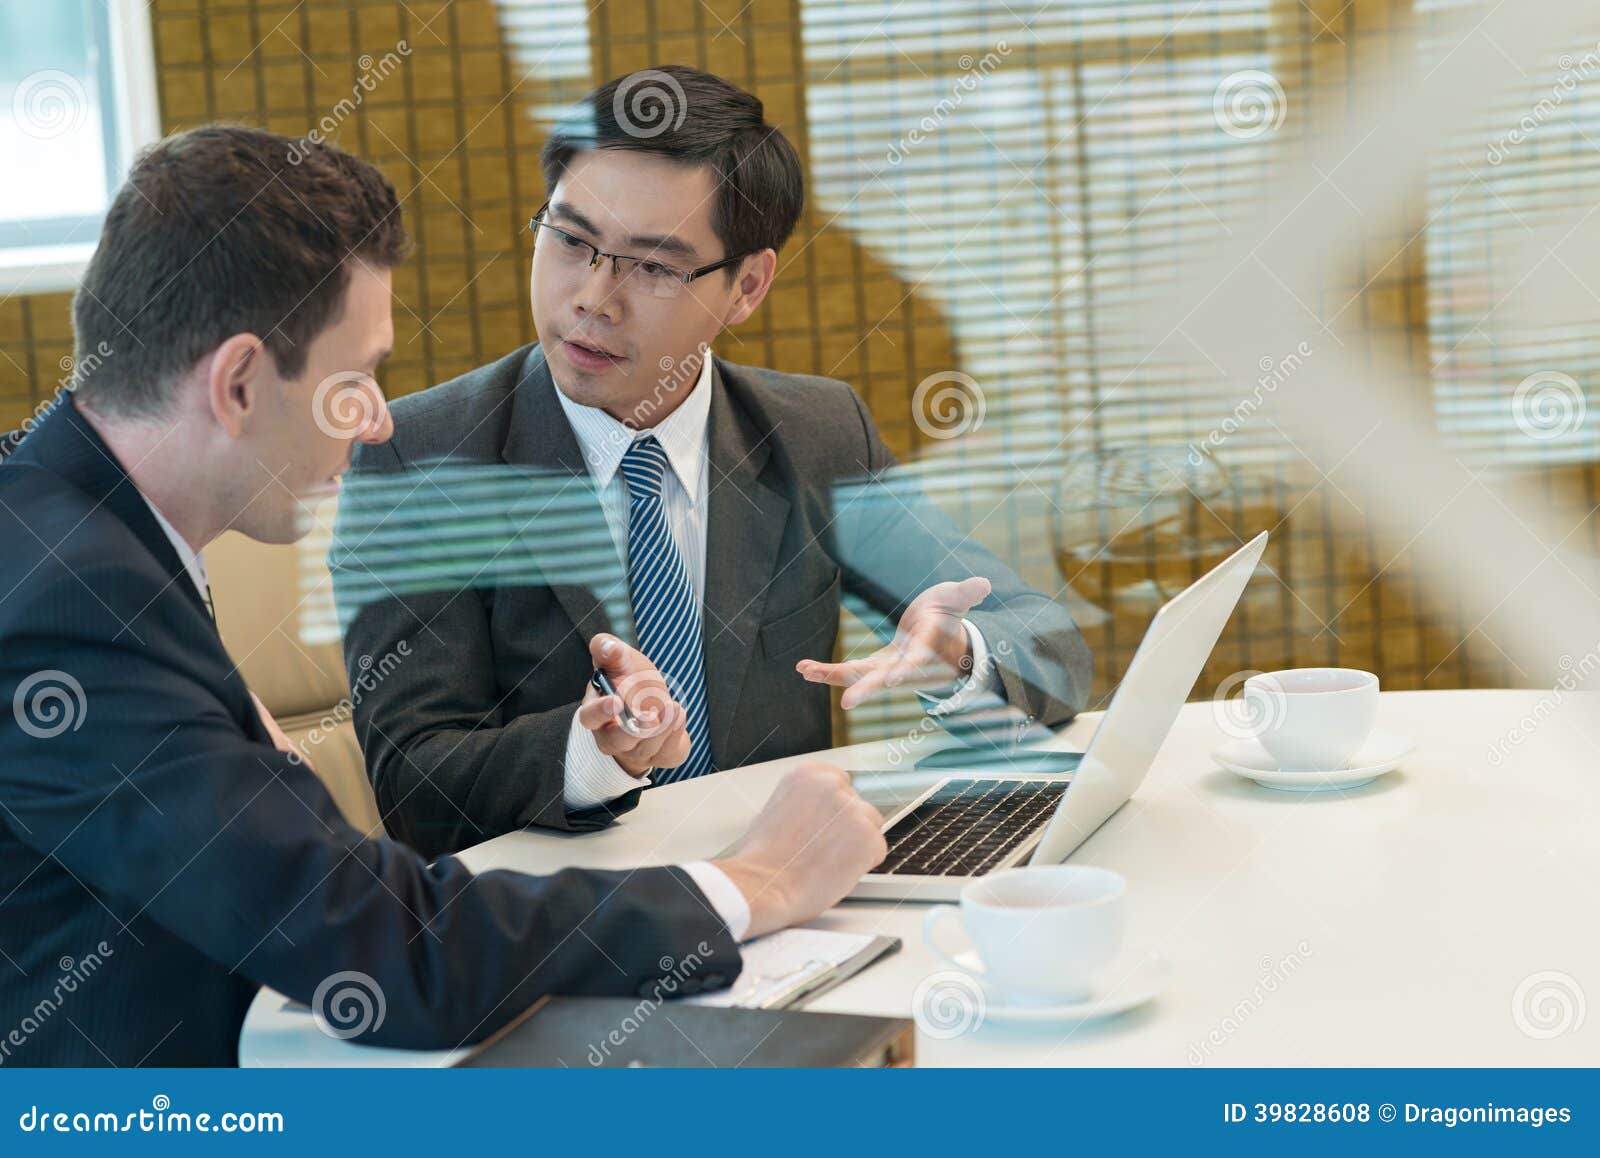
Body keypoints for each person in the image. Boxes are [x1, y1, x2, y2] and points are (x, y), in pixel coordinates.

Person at [0, 125, 886, 1067]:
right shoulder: (74, 610)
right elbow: (388, 950)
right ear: (240, 385)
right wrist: (755, 882)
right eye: (361, 376)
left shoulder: (74, 524)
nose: (378, 418)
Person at [331, 66, 1094, 860]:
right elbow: (413, 788)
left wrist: (962, 652)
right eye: (570, 239)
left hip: (789, 887)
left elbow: (1051, 649)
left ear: (747, 286)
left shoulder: (816, 434)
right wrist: (591, 753)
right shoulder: (422, 456)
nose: (593, 297)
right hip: (564, 916)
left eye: (653, 267)